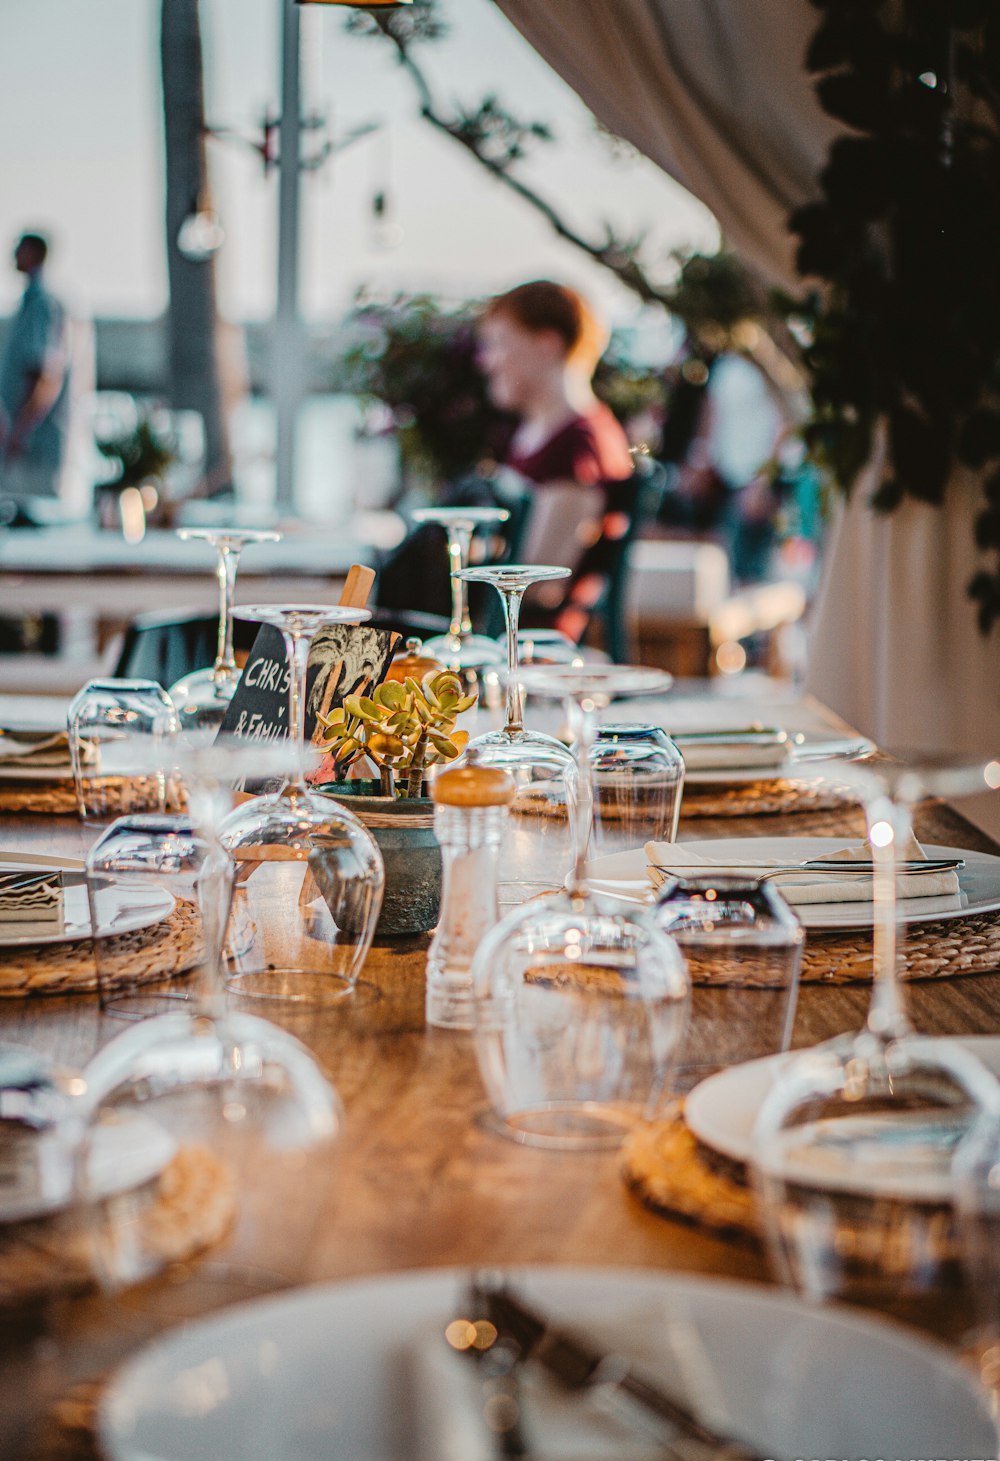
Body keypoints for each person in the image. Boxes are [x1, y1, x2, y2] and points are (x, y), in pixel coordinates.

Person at [477, 280, 633, 583]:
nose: (486, 363)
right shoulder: (540, 434)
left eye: (498, 343)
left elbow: (540, 581)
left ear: (547, 344)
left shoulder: (579, 443)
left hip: (523, 629)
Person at [0, 233, 71, 504]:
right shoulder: (31, 301)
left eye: (20, 249)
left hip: (33, 449)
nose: (14, 254)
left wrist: (19, 432)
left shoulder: (42, 304)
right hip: (24, 443)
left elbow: (44, 375)